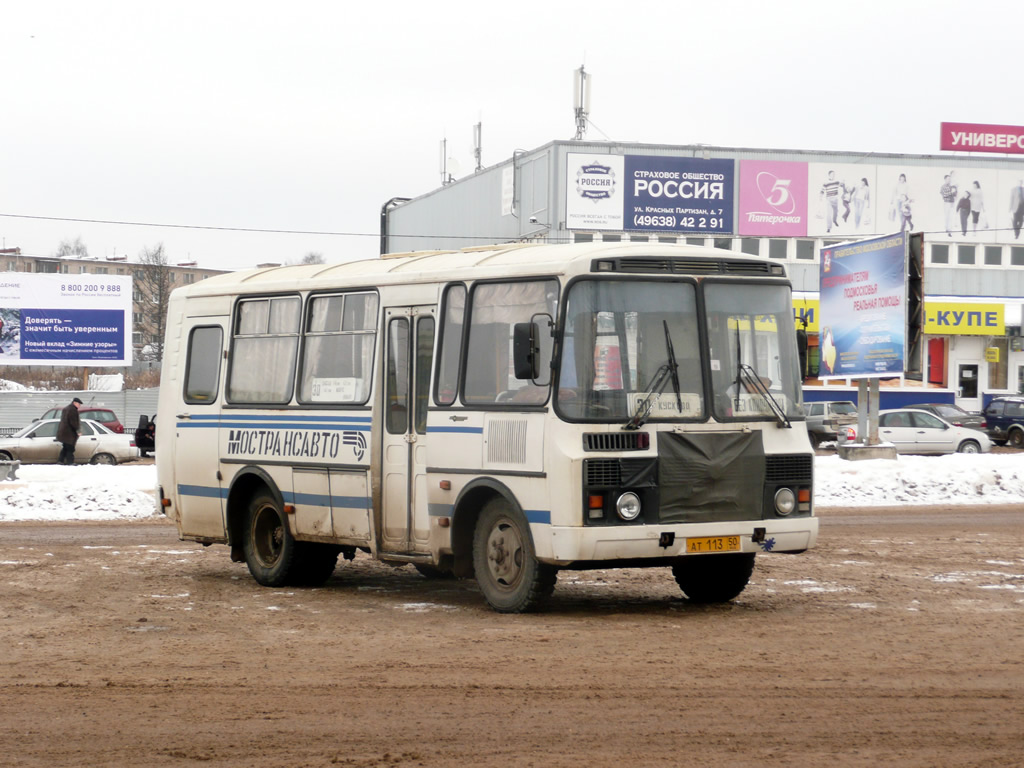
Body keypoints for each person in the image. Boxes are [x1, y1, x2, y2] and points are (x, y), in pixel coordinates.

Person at [57, 397, 83, 465]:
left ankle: (60, 461)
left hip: (64, 432)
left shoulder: (66, 408)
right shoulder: (73, 410)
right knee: (70, 448)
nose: (79, 406)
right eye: (79, 404)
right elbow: (74, 422)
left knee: (65, 447)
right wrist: (78, 430)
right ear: (74, 403)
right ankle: (70, 462)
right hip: (69, 433)